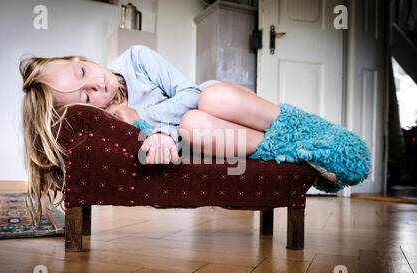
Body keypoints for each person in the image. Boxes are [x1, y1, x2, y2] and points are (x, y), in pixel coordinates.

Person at [20, 44, 371, 226]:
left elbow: (188, 92)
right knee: (192, 126)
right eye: (85, 97)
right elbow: (164, 143)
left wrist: (143, 118)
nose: (97, 85)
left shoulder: (136, 60)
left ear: (82, 58)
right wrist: (152, 133)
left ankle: (316, 135)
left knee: (209, 97)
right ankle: (300, 152)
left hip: (224, 111)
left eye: (84, 71)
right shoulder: (111, 124)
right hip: (206, 139)